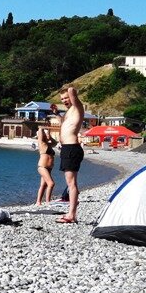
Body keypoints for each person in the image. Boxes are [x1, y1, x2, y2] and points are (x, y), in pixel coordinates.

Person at [55, 85, 85, 223]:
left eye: (66, 97)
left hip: (72, 148)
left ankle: (71, 214)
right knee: (70, 182)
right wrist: (57, 114)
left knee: (71, 183)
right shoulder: (68, 113)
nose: (64, 100)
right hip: (67, 149)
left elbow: (73, 91)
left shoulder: (78, 107)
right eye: (62, 99)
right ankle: (72, 210)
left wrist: (68, 90)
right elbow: (64, 125)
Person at [35, 127, 57, 206]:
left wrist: (50, 136)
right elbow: (40, 131)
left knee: (43, 185)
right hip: (42, 167)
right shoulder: (41, 143)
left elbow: (56, 143)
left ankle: (38, 202)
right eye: (43, 134)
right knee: (51, 184)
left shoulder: (49, 144)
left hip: (49, 168)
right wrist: (43, 128)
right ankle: (48, 202)